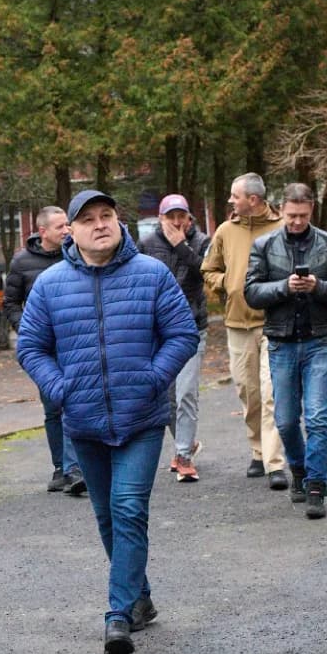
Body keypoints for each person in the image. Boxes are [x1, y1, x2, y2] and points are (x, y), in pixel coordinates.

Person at [17, 190, 199, 654]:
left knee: (127, 507)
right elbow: (31, 347)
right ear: (70, 232)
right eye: (88, 219)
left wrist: (154, 378)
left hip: (140, 418)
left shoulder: (152, 275)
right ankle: (139, 595)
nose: (100, 225)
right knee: (105, 516)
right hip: (84, 420)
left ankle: (118, 615)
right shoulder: (51, 285)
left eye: (107, 216)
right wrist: (61, 390)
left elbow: (182, 333)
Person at [243, 182, 327, 519]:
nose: (296, 222)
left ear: (312, 211)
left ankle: (317, 486)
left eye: (303, 216)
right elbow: (251, 292)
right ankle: (299, 470)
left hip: (319, 340)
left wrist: (317, 285)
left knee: (318, 417)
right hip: (280, 341)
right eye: (291, 216)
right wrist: (284, 287)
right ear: (281, 210)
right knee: (286, 421)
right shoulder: (263, 245)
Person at [201, 174, 289, 490]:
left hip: (273, 324)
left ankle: (274, 462)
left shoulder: (281, 229)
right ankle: (257, 449)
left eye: (234, 197)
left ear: (253, 199)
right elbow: (208, 269)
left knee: (270, 393)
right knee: (248, 394)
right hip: (237, 324)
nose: (230, 202)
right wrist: (228, 283)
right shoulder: (226, 231)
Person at [2, 207, 83, 495]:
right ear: (43, 231)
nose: (66, 231)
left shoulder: (77, 254)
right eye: (60, 226)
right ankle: (61, 467)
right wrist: (27, 330)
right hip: (43, 347)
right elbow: (10, 303)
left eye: (68, 226)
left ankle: (75, 469)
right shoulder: (22, 263)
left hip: (73, 341)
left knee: (71, 402)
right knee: (52, 409)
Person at [141, 193, 211, 481]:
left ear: (189, 217)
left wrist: (181, 246)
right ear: (161, 218)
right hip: (159, 329)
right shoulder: (146, 244)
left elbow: (206, 272)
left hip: (192, 326)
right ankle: (187, 441)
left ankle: (183, 456)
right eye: (171, 216)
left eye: (181, 215)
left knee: (186, 394)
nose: (177, 221)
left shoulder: (202, 242)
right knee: (166, 397)